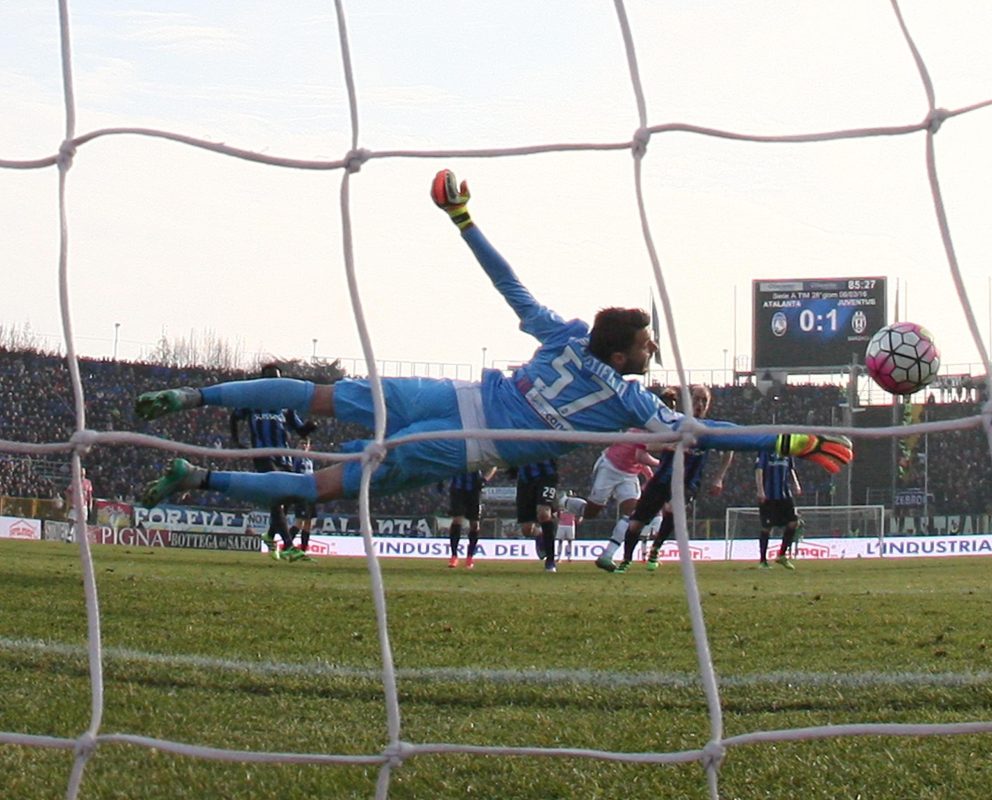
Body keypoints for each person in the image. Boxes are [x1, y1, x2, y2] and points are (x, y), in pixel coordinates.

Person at [135, 170, 852, 511]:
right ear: (622, 355)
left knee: (318, 396)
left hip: (450, 393)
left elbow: (510, 287)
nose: (654, 351)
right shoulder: (633, 404)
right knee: (320, 486)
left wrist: (464, 221)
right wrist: (785, 439)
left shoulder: (567, 336)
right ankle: (199, 478)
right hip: (461, 443)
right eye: (648, 344)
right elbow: (705, 430)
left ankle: (191, 393)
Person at [604, 385, 734, 573]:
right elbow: (649, 445)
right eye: (696, 399)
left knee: (674, 508)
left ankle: (655, 550)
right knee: (635, 525)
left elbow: (729, 450)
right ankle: (626, 560)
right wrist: (669, 444)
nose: (700, 404)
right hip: (662, 479)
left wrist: (719, 478)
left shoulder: (709, 429)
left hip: (688, 482)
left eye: (704, 401)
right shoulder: (673, 422)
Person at [559, 388, 666, 564]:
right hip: (610, 466)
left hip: (629, 474)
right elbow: (640, 455)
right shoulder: (645, 427)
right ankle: (565, 502)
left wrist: (648, 473)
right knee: (591, 512)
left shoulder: (655, 429)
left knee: (631, 513)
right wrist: (658, 465)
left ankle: (607, 556)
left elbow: (637, 457)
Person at [230, 363, 317, 562]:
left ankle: (270, 535)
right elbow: (235, 417)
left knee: (284, 500)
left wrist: (309, 428)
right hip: (263, 454)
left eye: (276, 379)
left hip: (284, 457)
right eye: (271, 379)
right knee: (277, 497)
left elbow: (299, 429)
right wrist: (236, 440)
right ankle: (288, 545)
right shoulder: (252, 401)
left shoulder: (285, 405)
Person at [755, 448, 802, 570]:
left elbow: (791, 468)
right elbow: (759, 469)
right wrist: (760, 490)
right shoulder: (765, 450)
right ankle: (763, 561)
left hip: (785, 494)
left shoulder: (787, 451)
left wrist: (796, 483)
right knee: (767, 527)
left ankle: (781, 555)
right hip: (769, 495)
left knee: (793, 522)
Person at [445, 467, 496, 569]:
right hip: (457, 489)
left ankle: (470, 557)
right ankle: (454, 556)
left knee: (474, 524)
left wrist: (485, 479)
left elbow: (493, 466)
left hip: (474, 490)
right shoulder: (456, 451)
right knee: (457, 520)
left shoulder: (479, 452)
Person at [515, 459, 560, 572]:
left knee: (544, 514)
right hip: (525, 480)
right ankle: (540, 534)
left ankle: (550, 560)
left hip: (547, 476)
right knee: (526, 530)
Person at [288, 436, 318, 558]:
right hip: (301, 493)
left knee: (309, 522)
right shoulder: (296, 459)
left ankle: (303, 551)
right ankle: (287, 546)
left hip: (310, 493)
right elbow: (293, 474)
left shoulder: (310, 459)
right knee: (299, 521)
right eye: (302, 443)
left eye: (306, 443)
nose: (304, 445)